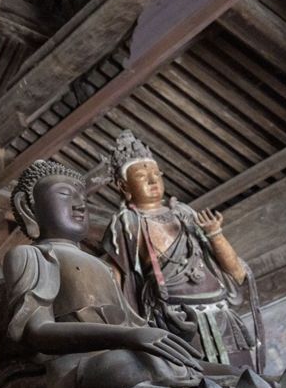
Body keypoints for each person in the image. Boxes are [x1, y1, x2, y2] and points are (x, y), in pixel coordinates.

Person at [3, 159, 206, 388]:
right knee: (139, 366)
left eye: (82, 197)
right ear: (28, 207)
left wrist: (177, 333)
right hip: (75, 367)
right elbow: (38, 331)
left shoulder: (103, 267)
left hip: (124, 353)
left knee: (230, 373)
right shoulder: (31, 254)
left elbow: (134, 325)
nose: (79, 204)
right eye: (65, 194)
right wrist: (127, 336)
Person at [102, 130, 259, 368]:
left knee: (245, 376)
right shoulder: (126, 223)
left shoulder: (184, 213)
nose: (153, 182)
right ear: (124, 187)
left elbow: (235, 272)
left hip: (219, 310)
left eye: (156, 174)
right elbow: (118, 279)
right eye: (142, 177)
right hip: (175, 317)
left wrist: (214, 234)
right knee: (196, 379)